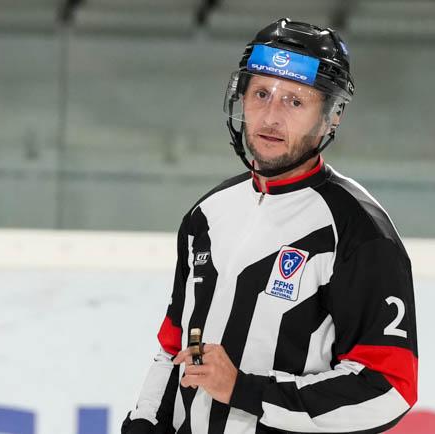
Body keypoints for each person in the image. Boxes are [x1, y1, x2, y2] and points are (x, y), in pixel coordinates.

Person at [122, 18, 418, 434]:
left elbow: (390, 388)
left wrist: (245, 390)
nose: (271, 116)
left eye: (295, 101)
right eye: (261, 94)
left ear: (331, 117)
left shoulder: (360, 231)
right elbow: (173, 349)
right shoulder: (206, 215)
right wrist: (144, 423)